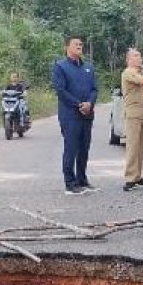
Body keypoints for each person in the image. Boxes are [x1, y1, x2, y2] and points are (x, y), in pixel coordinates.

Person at [51, 35, 99, 195]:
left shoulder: (88, 67)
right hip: (70, 115)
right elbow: (61, 90)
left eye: (81, 44)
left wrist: (89, 104)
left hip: (87, 114)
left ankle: (82, 179)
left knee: (84, 148)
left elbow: (94, 89)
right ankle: (70, 183)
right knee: (71, 148)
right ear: (67, 47)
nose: (79, 46)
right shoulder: (60, 66)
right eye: (75, 44)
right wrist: (79, 104)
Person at [120, 48, 143, 192]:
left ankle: (138, 175)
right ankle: (130, 177)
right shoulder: (128, 72)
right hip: (133, 114)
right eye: (136, 55)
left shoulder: (139, 73)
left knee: (142, 147)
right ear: (129, 59)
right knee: (133, 146)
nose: (139, 58)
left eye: (140, 55)